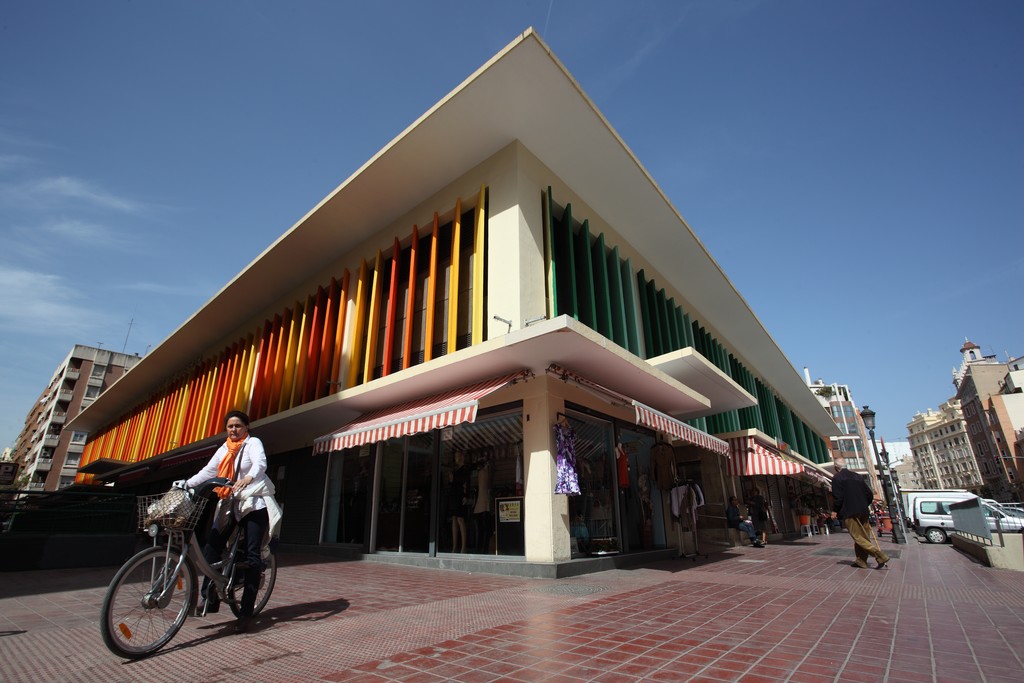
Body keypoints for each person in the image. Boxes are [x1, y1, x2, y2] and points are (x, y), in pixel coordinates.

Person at [186, 410, 278, 632]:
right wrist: (186, 484)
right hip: (230, 502)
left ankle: (246, 612)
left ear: (246, 427)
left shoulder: (253, 443)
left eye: (238, 426)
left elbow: (260, 464)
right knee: (211, 547)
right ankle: (210, 596)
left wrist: (248, 478)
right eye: (230, 426)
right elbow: (208, 471)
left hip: (253, 503)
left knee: (252, 555)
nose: (234, 430)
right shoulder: (224, 449)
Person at [831, 455, 890, 569]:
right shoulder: (857, 476)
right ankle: (861, 561)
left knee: (858, 537)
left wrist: (835, 510)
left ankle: (880, 555)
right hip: (864, 511)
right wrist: (863, 504)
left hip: (849, 511)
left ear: (835, 467)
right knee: (863, 536)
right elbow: (869, 494)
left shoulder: (837, 478)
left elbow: (838, 497)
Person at [448, 451, 470, 553]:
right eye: (455, 455)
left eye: (457, 455)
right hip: (453, 495)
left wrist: (466, 496)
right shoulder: (455, 469)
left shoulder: (464, 469)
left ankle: (463, 546)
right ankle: (454, 546)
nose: (456, 457)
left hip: (460, 495)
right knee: (454, 519)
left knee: (460, 519)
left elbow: (466, 483)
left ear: (461, 457)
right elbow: (452, 483)